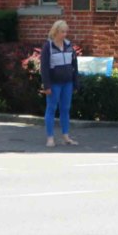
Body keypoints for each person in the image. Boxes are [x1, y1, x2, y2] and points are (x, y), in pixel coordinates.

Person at [40, 19, 78, 148]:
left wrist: (75, 82)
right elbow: (44, 68)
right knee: (51, 109)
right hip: (54, 83)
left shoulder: (69, 45)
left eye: (66, 32)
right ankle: (50, 138)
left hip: (67, 82)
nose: (65, 34)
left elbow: (74, 65)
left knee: (65, 109)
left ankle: (66, 136)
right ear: (55, 32)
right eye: (62, 32)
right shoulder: (48, 47)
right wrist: (47, 85)